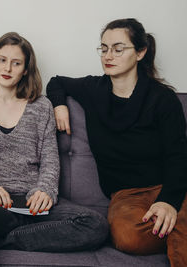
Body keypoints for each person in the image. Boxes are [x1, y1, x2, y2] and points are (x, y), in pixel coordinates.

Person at [0, 32, 108, 252]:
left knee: (95, 225)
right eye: (2, 60)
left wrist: (44, 190)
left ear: (25, 70)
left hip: (30, 201)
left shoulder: (41, 106)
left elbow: (50, 159)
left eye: (16, 63)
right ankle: (30, 231)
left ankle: (2, 240)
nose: (7, 69)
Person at [46, 18, 187, 266]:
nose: (108, 55)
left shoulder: (163, 99)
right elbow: (56, 81)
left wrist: (168, 201)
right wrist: (59, 105)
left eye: (118, 48)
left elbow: (178, 155)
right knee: (126, 237)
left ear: (140, 52)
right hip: (127, 196)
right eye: (104, 48)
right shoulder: (93, 89)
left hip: (170, 186)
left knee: (180, 217)